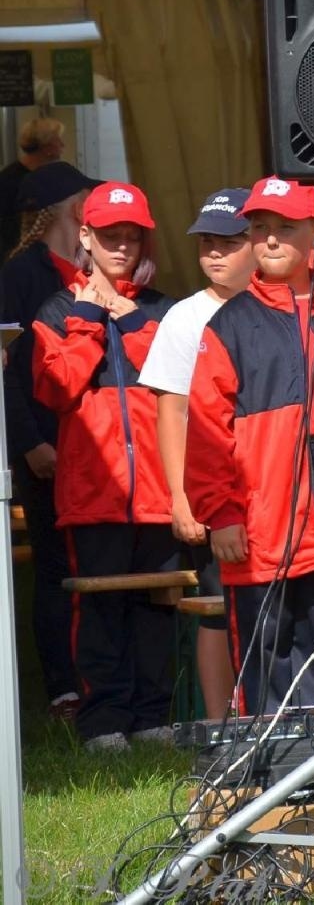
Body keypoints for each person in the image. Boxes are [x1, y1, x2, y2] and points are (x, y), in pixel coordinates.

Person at [185, 176, 314, 715]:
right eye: (259, 227)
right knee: (267, 639)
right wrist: (220, 513)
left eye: (285, 228)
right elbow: (205, 431)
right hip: (262, 508)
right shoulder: (230, 325)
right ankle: (269, 756)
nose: (268, 239)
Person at [31, 181, 178, 750]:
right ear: (86, 237)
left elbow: (177, 383)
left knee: (154, 609)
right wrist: (91, 318)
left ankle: (154, 716)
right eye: (110, 237)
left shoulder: (161, 308)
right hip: (92, 491)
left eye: (132, 238)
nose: (122, 248)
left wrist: (133, 319)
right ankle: (103, 721)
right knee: (99, 608)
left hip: (159, 492)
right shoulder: (58, 310)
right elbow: (57, 388)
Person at [138, 188, 255, 720]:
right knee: (217, 609)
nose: (213, 253)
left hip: (274, 487)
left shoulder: (286, 308)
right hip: (214, 494)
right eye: (206, 242)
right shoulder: (185, 318)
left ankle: (283, 717)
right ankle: (219, 725)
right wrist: (182, 500)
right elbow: (172, 411)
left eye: (228, 242)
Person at [2, 160, 98, 721]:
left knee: (94, 565)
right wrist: (29, 441)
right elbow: (7, 365)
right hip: (46, 444)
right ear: (70, 207)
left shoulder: (93, 264)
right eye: (87, 195)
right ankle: (63, 686)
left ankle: (98, 676)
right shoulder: (22, 272)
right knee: (56, 568)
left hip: (92, 446)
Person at [0, 117, 65, 257]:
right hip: (15, 255)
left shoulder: (47, 175)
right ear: (46, 146)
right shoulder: (10, 180)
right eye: (58, 140)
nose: (62, 145)